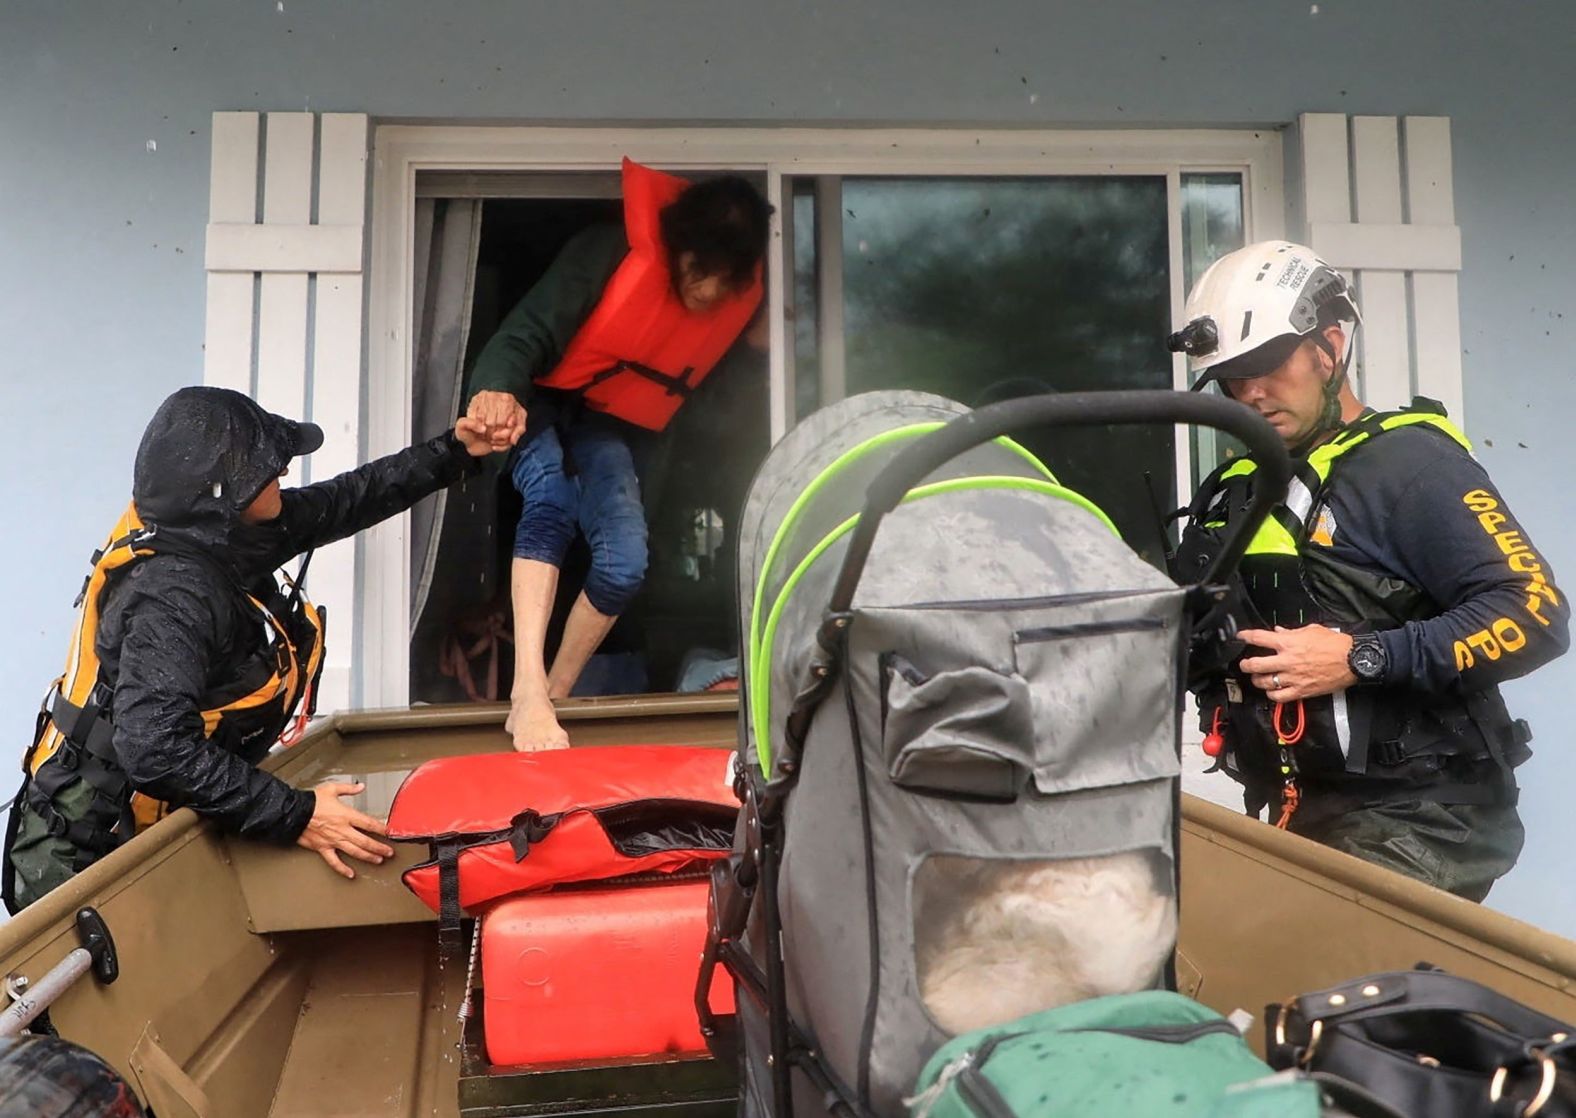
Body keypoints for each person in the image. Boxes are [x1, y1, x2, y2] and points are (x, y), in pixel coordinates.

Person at [3, 386, 514, 911]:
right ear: (227, 493)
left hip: (166, 808)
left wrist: (454, 450)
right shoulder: (171, 595)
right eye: (268, 470)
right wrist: (299, 814)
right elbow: (153, 747)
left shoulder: (223, 527)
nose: (284, 476)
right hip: (90, 849)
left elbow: (348, 500)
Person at [1167, 240, 1568, 901]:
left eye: (1268, 363)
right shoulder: (1236, 489)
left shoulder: (1413, 468)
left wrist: (1362, 657)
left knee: (1295, 963)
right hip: (1298, 814)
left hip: (1423, 820)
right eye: (1235, 378)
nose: (1252, 393)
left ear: (1330, 346)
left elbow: (1536, 612)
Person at [465, 157, 771, 751]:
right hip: (540, 402)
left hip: (609, 421)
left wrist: (758, 354)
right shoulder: (605, 253)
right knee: (550, 498)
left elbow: (712, 417)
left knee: (625, 562)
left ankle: (553, 694)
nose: (707, 290)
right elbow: (523, 334)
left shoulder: (730, 310)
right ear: (679, 247)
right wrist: (496, 387)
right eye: (699, 270)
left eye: (722, 279)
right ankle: (527, 688)